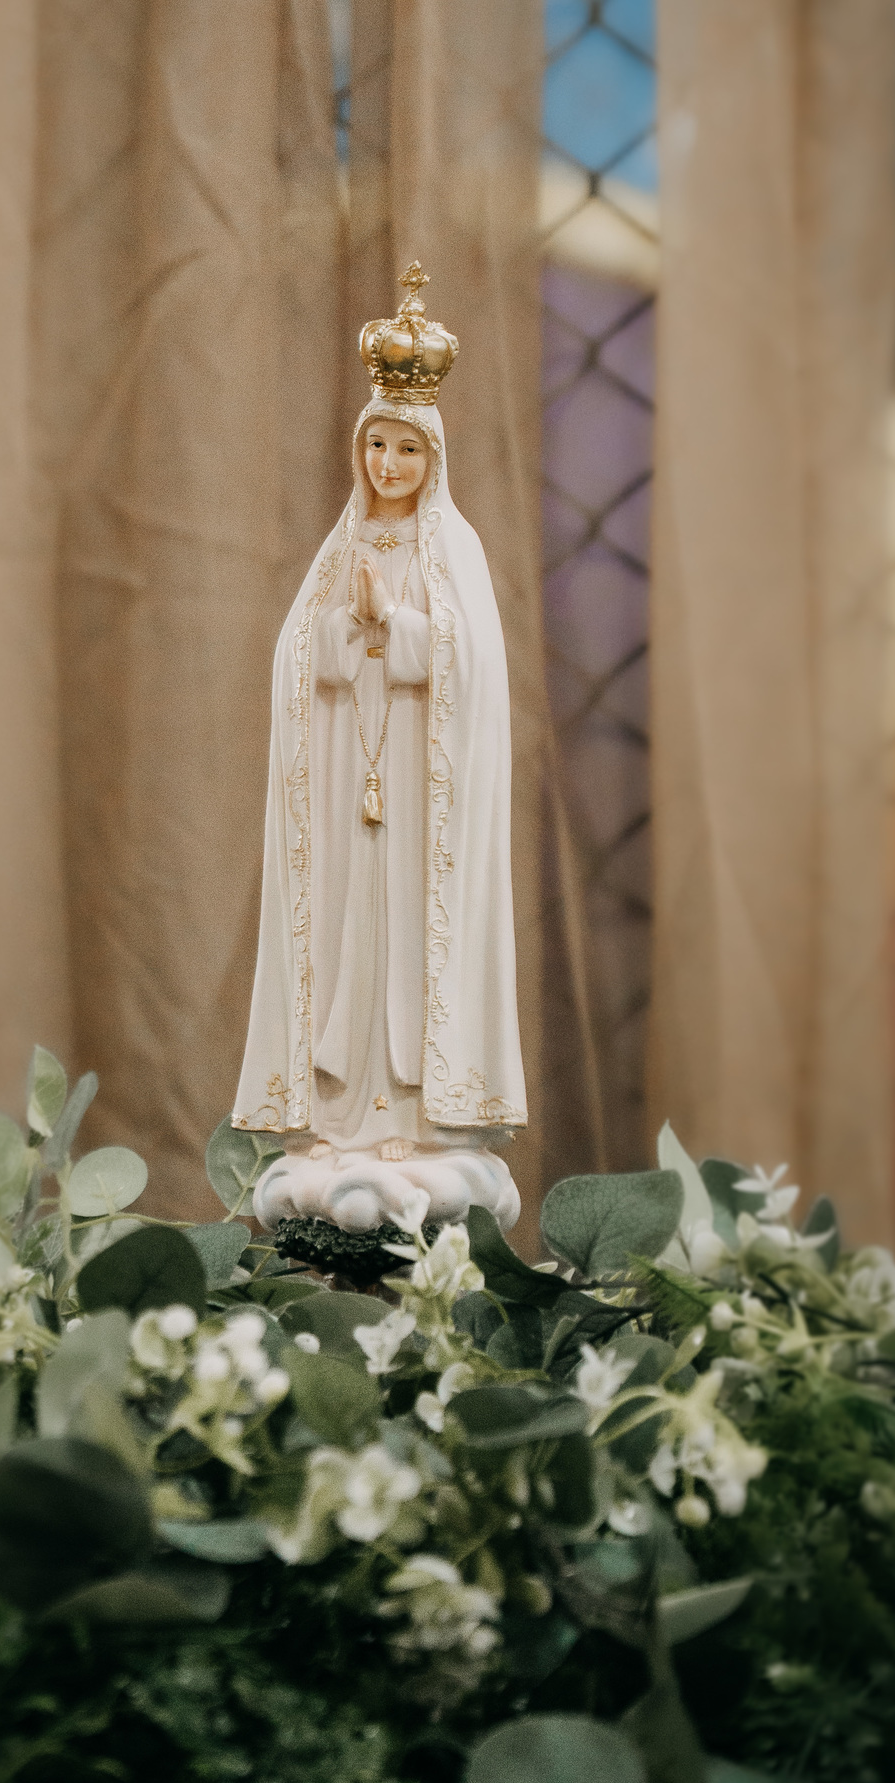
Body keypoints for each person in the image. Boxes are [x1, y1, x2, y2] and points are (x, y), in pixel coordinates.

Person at [234, 265, 525, 1234]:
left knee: (409, 938)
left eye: (406, 448)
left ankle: (412, 1120)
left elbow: (472, 671)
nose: (389, 464)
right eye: (377, 445)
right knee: (346, 939)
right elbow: (297, 664)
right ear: (359, 450)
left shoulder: (454, 550)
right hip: (347, 791)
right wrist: (343, 627)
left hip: (419, 798)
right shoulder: (340, 549)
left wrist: (394, 626)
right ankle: (341, 1116)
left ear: (431, 457)